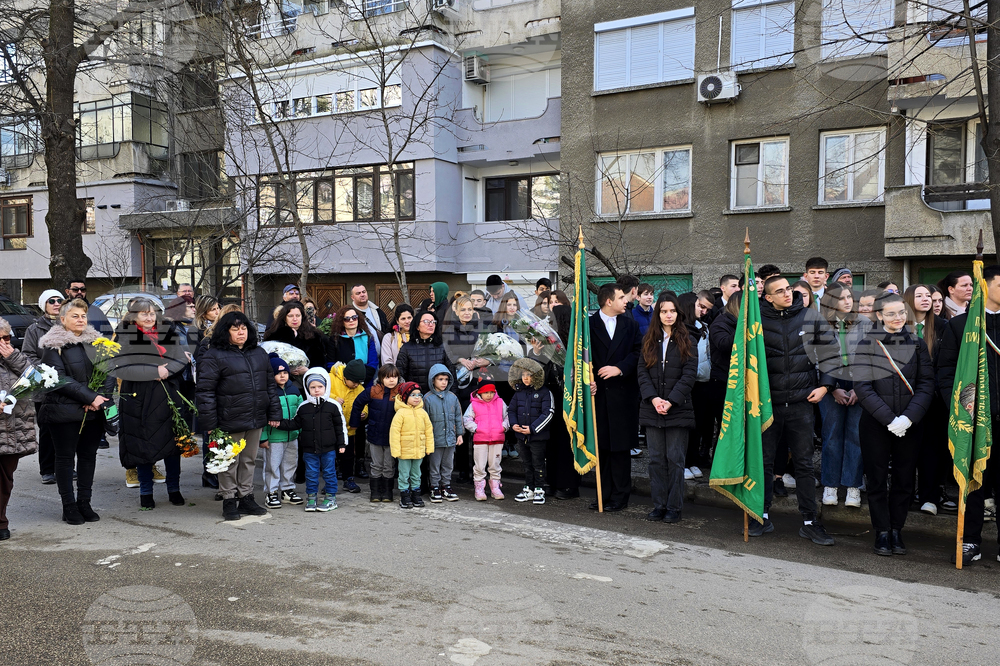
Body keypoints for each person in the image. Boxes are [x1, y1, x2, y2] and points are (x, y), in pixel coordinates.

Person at [754, 276, 839, 545]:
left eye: (788, 289)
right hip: (768, 406)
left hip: (802, 403)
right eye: (779, 291)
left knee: (803, 464)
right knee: (764, 463)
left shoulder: (810, 317)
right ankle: (761, 516)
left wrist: (826, 386)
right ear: (767, 297)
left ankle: (810, 522)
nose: (787, 294)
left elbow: (831, 353)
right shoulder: (756, 322)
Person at [853, 293, 934, 557]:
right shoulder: (867, 343)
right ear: (879, 316)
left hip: (910, 423)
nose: (898, 318)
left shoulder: (918, 344)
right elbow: (863, 387)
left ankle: (897, 529)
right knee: (876, 478)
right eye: (891, 314)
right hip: (877, 424)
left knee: (904, 478)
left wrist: (908, 418)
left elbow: (926, 384)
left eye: (901, 313)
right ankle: (882, 531)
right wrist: (890, 420)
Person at [936, 265, 1000, 565]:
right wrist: (963, 405)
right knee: (974, 483)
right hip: (975, 421)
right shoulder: (961, 325)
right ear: (985, 287)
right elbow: (947, 371)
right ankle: (970, 542)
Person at [196, 310, 282, 521]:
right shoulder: (213, 355)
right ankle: (229, 499)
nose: (241, 333)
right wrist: (209, 422)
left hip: (254, 417)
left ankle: (246, 497)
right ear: (226, 332)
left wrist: (274, 412)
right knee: (229, 461)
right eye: (235, 329)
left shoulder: (259, 353)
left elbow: (270, 386)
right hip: (228, 418)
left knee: (249, 460)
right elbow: (205, 391)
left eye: (243, 328)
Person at [37, 298, 113, 525]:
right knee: (65, 458)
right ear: (63, 320)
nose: (80, 320)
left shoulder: (97, 343)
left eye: (83, 316)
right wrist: (90, 396)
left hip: (94, 411)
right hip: (64, 413)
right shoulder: (54, 346)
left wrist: (98, 399)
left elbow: (107, 372)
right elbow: (57, 380)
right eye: (75, 316)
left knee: (88, 457)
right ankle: (68, 505)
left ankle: (84, 502)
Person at [112, 297, 192, 511]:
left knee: (173, 445)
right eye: (143, 313)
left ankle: (174, 488)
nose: (149, 317)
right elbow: (122, 368)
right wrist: (153, 372)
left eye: (152, 313)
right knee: (143, 445)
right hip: (139, 398)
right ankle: (145, 491)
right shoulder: (125, 336)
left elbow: (180, 359)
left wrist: (167, 371)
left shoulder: (167, 332)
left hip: (169, 396)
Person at [637, 293, 698, 523]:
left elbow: (689, 375)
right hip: (652, 409)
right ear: (658, 314)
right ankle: (659, 505)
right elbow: (642, 373)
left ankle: (674, 507)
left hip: (678, 409)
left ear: (678, 313)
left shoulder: (688, 339)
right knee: (655, 460)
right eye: (664, 311)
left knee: (675, 459)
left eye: (672, 311)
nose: (668, 315)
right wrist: (653, 399)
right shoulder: (649, 340)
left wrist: (670, 401)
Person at [589, 283, 642, 512]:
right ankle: (603, 493)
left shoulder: (630, 324)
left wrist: (618, 368)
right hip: (598, 395)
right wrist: (585, 380)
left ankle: (620, 496)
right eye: (621, 297)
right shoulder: (587, 326)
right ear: (608, 301)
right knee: (602, 448)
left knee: (620, 449)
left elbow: (639, 353)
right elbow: (580, 357)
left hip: (622, 394)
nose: (626, 300)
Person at [817, 283, 868, 509]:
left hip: (860, 383)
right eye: (842, 298)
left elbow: (872, 357)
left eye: (850, 297)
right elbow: (815, 359)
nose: (848, 301)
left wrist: (861, 387)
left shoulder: (865, 324)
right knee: (831, 436)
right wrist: (832, 387)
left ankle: (853, 486)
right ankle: (830, 484)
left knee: (856, 436)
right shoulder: (818, 326)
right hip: (830, 384)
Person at [903, 284, 952, 515]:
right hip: (903, 399)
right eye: (920, 295)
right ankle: (904, 493)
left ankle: (929, 496)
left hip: (933, 400)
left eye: (929, 296)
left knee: (932, 449)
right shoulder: (898, 327)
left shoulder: (943, 327)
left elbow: (945, 365)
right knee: (907, 448)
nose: (926, 299)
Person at [276, 368, 346, 512]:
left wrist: (342, 443)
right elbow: (295, 423)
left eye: (320, 387)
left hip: (328, 449)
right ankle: (312, 497)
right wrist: (279, 423)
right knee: (311, 474)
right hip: (309, 449)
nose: (316, 390)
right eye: (312, 387)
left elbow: (340, 426)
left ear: (326, 387)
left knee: (329, 473)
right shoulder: (303, 407)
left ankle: (331, 498)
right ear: (307, 388)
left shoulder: (333, 406)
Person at [20, 289, 64, 485]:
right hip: (44, 387)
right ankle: (47, 469)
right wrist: (47, 370)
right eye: (51, 301)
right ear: (43, 305)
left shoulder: (70, 325)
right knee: (47, 428)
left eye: (59, 300)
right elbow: (27, 355)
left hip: (68, 385)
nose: (56, 303)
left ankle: (66, 467)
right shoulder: (34, 329)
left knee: (68, 429)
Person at [0, 318, 37, 540]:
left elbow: (38, 380)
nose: (5, 343)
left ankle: (1, 519)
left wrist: (13, 357)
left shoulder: (14, 357)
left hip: (12, 429)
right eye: (0, 339)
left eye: (7, 338)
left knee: (5, 479)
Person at [351, 364, 401, 502]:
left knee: (389, 465)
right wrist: (355, 424)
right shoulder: (373, 391)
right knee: (376, 464)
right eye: (387, 377)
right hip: (375, 434)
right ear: (380, 378)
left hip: (392, 436)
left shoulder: (400, 393)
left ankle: (387, 492)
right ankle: (375, 492)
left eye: (394, 377)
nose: (391, 380)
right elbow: (357, 404)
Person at [508, 357, 554, 505]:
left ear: (536, 376)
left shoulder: (545, 392)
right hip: (521, 436)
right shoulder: (518, 393)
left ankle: (539, 489)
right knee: (526, 463)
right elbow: (511, 410)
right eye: (523, 375)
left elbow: (549, 413)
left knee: (538, 463)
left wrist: (533, 429)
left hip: (538, 437)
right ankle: (529, 488)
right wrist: (514, 424)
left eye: (529, 375)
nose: (526, 378)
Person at [260, 357, 303, 509]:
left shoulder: (294, 390)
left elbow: (300, 411)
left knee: (290, 463)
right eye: (278, 373)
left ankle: (287, 490)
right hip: (274, 437)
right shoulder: (267, 393)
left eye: (285, 372)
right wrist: (263, 437)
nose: (283, 376)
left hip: (292, 435)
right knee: (273, 465)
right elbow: (262, 416)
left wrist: (298, 430)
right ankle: (271, 493)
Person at [677, 292, 711, 479]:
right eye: (699, 305)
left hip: (702, 382)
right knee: (685, 425)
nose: (702, 309)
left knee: (699, 423)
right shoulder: (679, 330)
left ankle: (693, 460)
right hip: (686, 383)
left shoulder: (704, 327)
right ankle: (683, 462)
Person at [391, 381, 434, 509]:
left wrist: (429, 447)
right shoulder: (400, 414)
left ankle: (416, 494)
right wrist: (396, 450)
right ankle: (404, 495)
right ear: (405, 397)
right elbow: (394, 433)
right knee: (404, 474)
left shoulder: (423, 413)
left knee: (416, 473)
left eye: (419, 395)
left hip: (418, 450)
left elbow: (428, 431)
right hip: (404, 451)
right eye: (413, 395)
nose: (417, 398)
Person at [423, 364, 463, 503]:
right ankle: (434, 487)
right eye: (440, 379)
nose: (444, 382)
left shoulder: (452, 397)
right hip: (434, 440)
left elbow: (458, 417)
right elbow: (425, 420)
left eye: (446, 379)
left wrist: (459, 434)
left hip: (450, 438)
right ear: (433, 380)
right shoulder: (427, 398)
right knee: (434, 465)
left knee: (448, 465)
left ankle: (446, 486)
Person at [464, 383, 508, 501]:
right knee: (479, 464)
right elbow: (467, 419)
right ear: (480, 393)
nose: (489, 395)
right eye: (486, 393)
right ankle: (479, 488)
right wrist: (476, 428)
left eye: (491, 392)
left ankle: (495, 487)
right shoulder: (474, 404)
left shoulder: (500, 402)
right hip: (480, 439)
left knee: (495, 464)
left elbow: (507, 416)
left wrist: (503, 427)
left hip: (497, 438)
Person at [264, 302, 329, 377]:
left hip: (309, 378)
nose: (295, 319)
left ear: (302, 317)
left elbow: (320, 362)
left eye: (298, 315)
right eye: (290, 316)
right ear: (284, 318)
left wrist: (308, 370)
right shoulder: (274, 334)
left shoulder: (314, 335)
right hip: (281, 378)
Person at [396, 309, 450, 393]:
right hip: (414, 397)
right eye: (426, 321)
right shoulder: (407, 348)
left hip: (439, 396)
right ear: (417, 326)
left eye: (433, 322)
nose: (431, 324)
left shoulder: (443, 347)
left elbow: (451, 374)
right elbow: (400, 375)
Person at [327, 305, 379, 386]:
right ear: (342, 322)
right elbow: (330, 363)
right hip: (341, 383)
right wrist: (345, 379)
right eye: (347, 319)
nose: (351, 320)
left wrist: (360, 379)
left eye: (354, 317)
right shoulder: (334, 339)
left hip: (365, 383)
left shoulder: (368, 338)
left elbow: (373, 363)